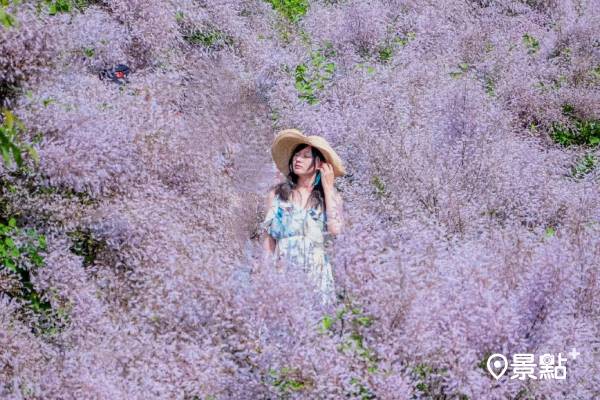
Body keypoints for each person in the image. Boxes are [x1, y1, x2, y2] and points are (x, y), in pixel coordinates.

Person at [259, 128, 346, 305]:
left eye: (306, 156)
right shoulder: (277, 195)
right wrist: (264, 275)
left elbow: (335, 230)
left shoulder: (331, 198)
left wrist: (328, 187)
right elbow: (268, 240)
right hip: (283, 270)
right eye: (296, 155)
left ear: (320, 164)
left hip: (316, 272)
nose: (298, 159)